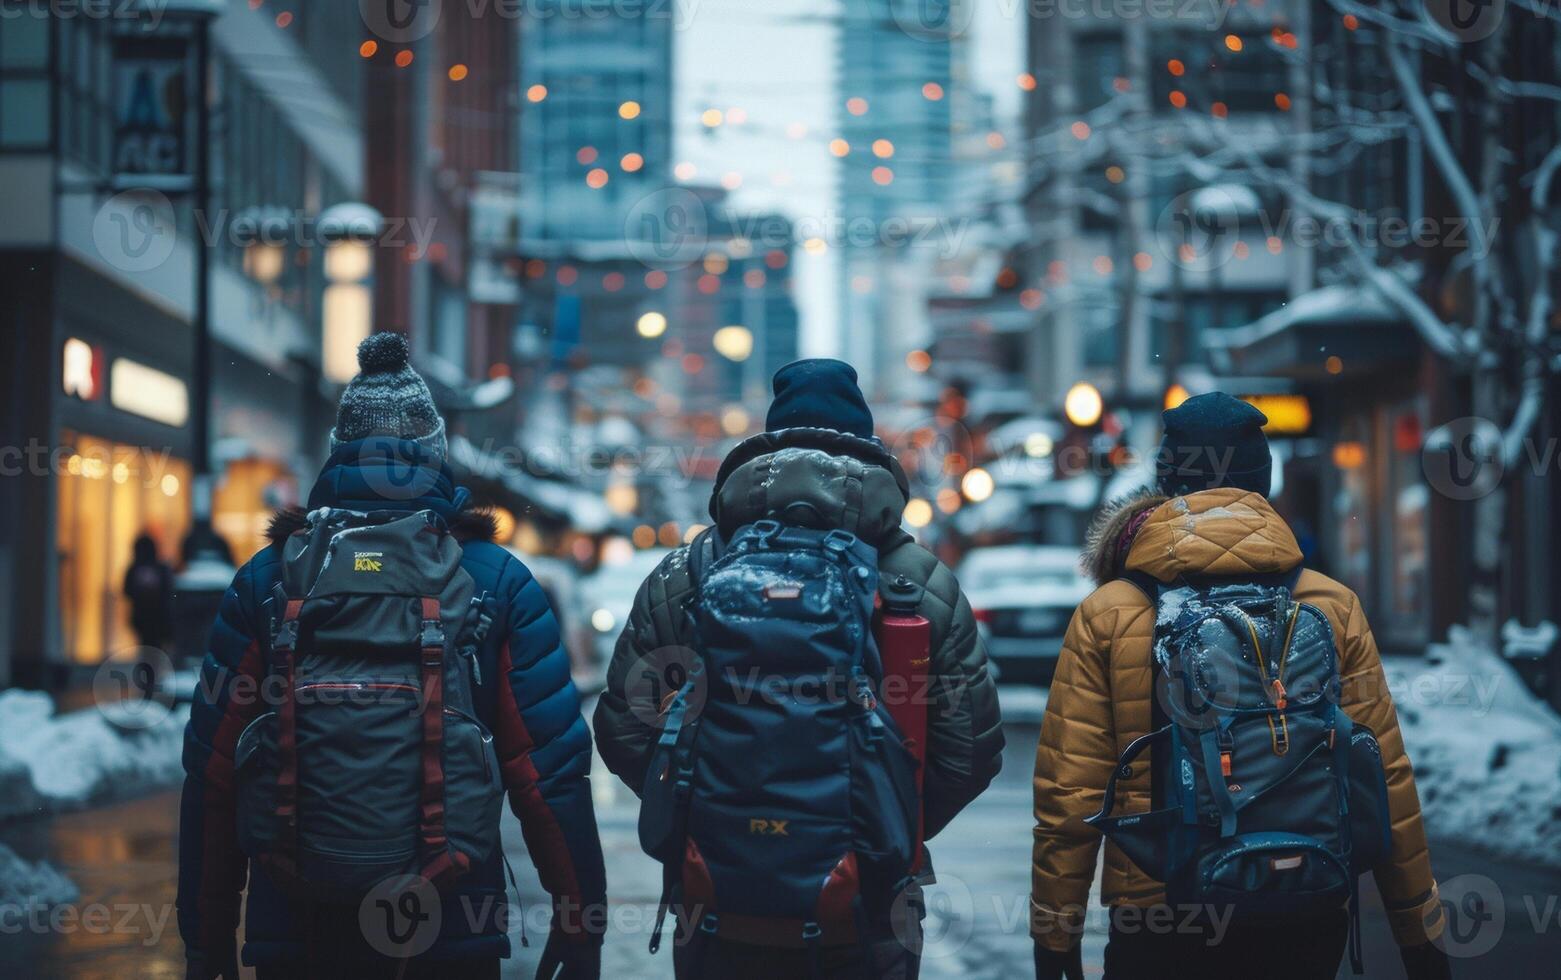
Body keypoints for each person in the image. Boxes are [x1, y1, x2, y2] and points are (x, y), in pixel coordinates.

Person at [177, 333, 607, 980]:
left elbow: (213, 774)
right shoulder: (496, 581)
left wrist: (205, 939)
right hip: (446, 930)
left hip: (298, 932)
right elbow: (548, 774)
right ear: (436, 454)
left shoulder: (267, 581)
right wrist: (580, 928)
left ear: (336, 454)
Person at [593, 358, 1004, 979]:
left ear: (764, 446)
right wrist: (886, 834)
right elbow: (968, 751)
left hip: (718, 907)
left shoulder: (687, 576)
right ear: (869, 451)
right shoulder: (919, 584)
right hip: (868, 914)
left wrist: (706, 824)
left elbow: (626, 730)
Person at [1031, 392, 1451, 980]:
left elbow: (1069, 796)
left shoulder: (1110, 613)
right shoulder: (1331, 604)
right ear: (1264, 485)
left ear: (1164, 487)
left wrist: (1055, 944)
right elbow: (1384, 779)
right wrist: (1419, 940)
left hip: (1161, 914)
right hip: (1304, 902)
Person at [124, 533, 174, 652]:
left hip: (141, 616)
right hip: (158, 616)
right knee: (156, 648)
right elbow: (168, 590)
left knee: (146, 647)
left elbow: (126, 590)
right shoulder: (160, 567)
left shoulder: (134, 568)